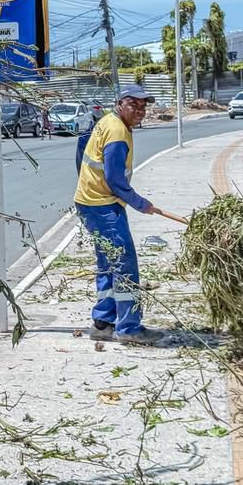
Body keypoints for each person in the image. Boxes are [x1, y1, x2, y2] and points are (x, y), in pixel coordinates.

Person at [74, 84, 163, 346]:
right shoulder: (116, 132)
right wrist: (140, 203)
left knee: (108, 264)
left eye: (143, 106)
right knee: (125, 267)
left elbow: (82, 149)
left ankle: (103, 323)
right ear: (120, 104)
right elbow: (114, 178)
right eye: (133, 105)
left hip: (91, 203)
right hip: (103, 207)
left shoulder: (107, 121)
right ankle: (129, 328)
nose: (140, 110)